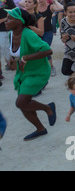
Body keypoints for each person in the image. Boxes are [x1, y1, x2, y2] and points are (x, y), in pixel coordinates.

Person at [5, 7, 55, 141]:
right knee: (24, 104)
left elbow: (47, 50)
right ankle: (40, 129)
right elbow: (17, 54)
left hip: (38, 72)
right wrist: (13, 61)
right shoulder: (11, 34)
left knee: (20, 102)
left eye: (10, 18)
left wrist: (26, 58)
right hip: (24, 73)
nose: (6, 20)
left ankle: (47, 108)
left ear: (20, 21)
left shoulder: (28, 34)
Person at [37, 0, 63, 77]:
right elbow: (22, 4)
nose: (40, 0)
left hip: (48, 32)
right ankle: (41, 67)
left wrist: (54, 1)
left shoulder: (50, 7)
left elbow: (61, 8)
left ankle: (51, 67)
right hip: (37, 32)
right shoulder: (35, 7)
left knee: (45, 48)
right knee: (38, 50)